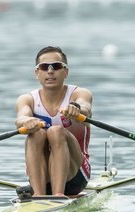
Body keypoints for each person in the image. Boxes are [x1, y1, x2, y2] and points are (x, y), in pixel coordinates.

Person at [15, 46, 93, 196]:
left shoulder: (79, 93)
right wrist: (27, 121)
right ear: (37, 73)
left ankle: (58, 195)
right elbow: (20, 118)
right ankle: (38, 195)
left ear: (66, 72)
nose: (50, 71)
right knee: (36, 134)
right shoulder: (27, 99)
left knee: (55, 131)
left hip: (75, 175)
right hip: (42, 178)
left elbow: (86, 107)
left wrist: (76, 108)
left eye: (56, 66)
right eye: (44, 67)